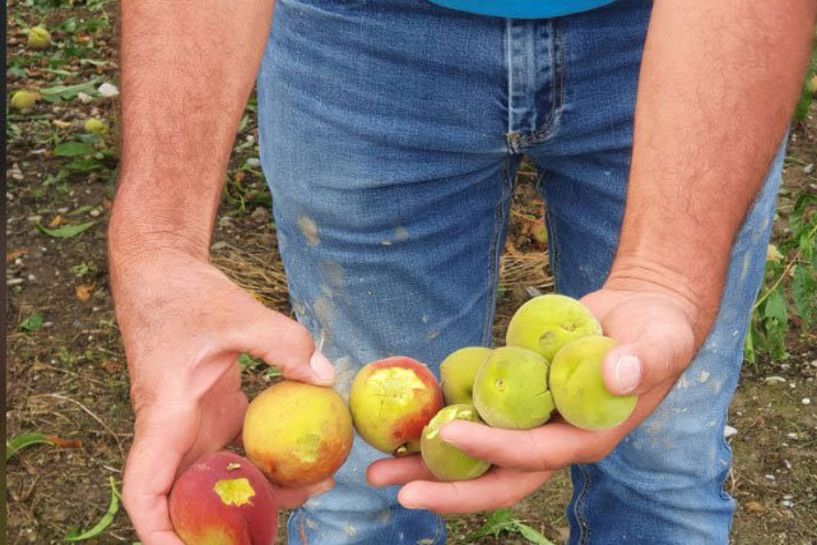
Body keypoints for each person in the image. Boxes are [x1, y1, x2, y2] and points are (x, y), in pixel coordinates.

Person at [109, 1, 816, 544]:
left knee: (663, 466)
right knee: (358, 489)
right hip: (355, 39)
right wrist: (160, 246)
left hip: (693, 40)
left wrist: (669, 274)